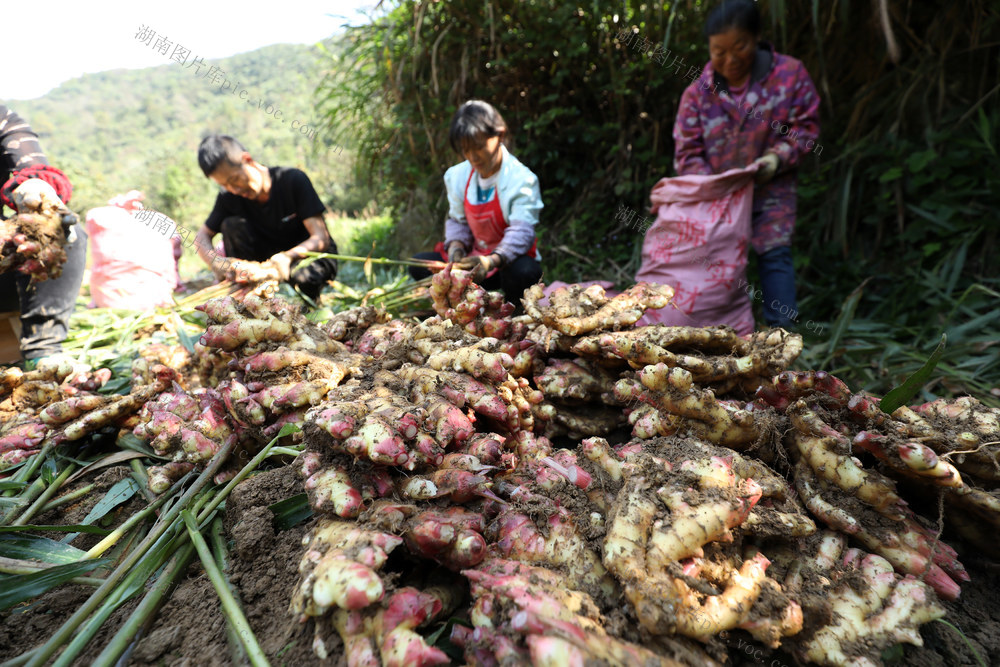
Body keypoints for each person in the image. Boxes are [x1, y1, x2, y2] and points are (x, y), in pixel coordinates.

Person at [671, 0, 820, 329]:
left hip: (772, 189)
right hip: (717, 200)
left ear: (756, 38)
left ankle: (783, 337)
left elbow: (805, 130)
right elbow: (687, 151)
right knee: (715, 263)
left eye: (739, 46)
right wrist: (713, 185)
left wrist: (775, 159)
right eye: (718, 51)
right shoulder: (697, 94)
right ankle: (718, 339)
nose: (730, 59)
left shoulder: (789, 75)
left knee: (774, 254)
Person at [409, 100, 543, 304]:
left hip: (503, 264)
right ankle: (464, 304)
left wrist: (490, 261)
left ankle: (515, 309)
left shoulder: (522, 179)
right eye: (466, 150)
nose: (473, 157)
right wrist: (455, 249)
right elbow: (458, 221)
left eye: (479, 147)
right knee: (419, 264)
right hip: (472, 260)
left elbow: (522, 232)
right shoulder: (457, 176)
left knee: (525, 272)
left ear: (500, 135)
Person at [193, 135, 337, 301]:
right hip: (265, 265)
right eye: (225, 185)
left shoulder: (292, 180)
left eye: (235, 180)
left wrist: (288, 257)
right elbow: (201, 236)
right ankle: (251, 289)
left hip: (306, 257)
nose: (234, 189)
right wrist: (216, 261)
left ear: (247, 159)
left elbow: (320, 238)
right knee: (231, 225)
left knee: (300, 280)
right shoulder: (228, 197)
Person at [0, 105, 87, 363]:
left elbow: (32, 163)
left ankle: (43, 351)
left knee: (61, 228)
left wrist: (35, 186)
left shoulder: (3, 119)